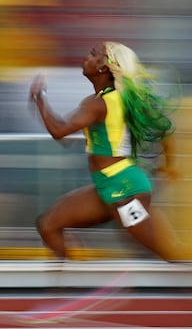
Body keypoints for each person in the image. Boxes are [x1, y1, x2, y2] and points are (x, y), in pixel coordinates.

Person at [29, 41, 181, 262]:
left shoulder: (97, 104)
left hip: (125, 192)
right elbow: (165, 130)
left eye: (93, 54)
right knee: (48, 225)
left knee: (168, 254)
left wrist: (39, 98)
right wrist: (169, 165)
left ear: (104, 67)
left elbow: (59, 132)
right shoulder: (116, 100)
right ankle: (74, 287)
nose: (87, 57)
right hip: (106, 187)